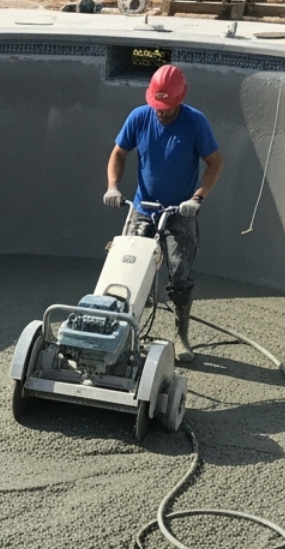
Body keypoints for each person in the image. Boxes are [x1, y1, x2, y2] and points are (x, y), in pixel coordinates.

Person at [104, 64, 224, 354]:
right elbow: (118, 153)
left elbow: (215, 163)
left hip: (179, 212)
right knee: (126, 267)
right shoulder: (139, 117)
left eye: (168, 106)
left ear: (180, 99)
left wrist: (197, 199)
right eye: (158, 105)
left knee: (179, 275)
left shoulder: (195, 123)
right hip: (143, 206)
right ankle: (121, 332)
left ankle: (180, 335)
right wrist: (113, 186)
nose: (161, 111)